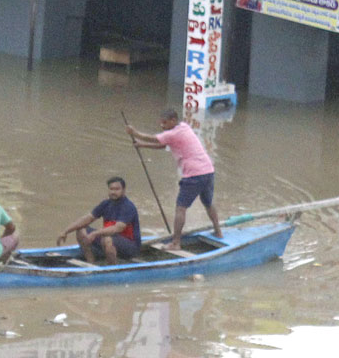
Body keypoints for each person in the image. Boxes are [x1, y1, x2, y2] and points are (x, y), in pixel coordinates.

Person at [127, 108, 222, 249]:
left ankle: (176, 242)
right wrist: (142, 145)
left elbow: (155, 138)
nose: (162, 126)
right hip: (208, 171)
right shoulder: (183, 127)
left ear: (173, 121)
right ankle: (218, 232)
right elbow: (164, 144)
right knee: (208, 203)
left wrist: (135, 133)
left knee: (180, 208)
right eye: (161, 123)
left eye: (165, 123)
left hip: (194, 174)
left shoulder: (174, 133)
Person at [56, 176, 141, 264]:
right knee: (81, 230)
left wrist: (95, 233)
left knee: (107, 239)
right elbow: (87, 218)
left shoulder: (128, 207)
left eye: (117, 189)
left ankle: (111, 268)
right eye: (111, 189)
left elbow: (117, 228)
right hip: (110, 240)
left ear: (123, 190)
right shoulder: (106, 204)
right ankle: (91, 262)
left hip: (130, 246)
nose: (113, 192)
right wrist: (65, 231)